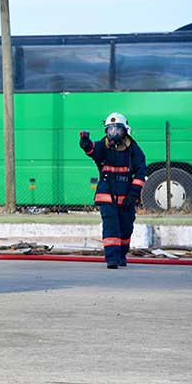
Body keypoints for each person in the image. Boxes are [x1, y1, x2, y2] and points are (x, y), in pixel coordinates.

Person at [79, 112, 147, 269]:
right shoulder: (103, 146)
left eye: (117, 130)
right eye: (110, 130)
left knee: (126, 227)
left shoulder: (134, 150)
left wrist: (134, 194)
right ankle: (112, 259)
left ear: (125, 131)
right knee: (111, 226)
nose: (113, 133)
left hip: (127, 195)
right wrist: (85, 143)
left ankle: (121, 255)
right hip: (107, 194)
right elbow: (92, 150)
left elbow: (141, 173)